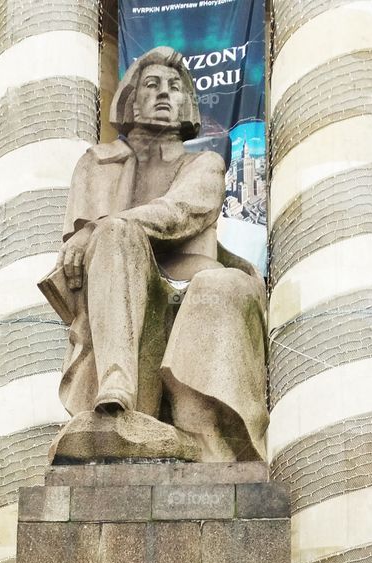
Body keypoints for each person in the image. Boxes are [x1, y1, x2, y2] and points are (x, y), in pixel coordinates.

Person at [40, 46, 268, 464]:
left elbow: (181, 212)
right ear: (131, 98)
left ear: (187, 106)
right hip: (123, 282)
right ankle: (116, 392)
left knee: (123, 235)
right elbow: (76, 246)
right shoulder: (96, 163)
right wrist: (90, 234)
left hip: (190, 280)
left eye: (175, 87)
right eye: (152, 85)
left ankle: (191, 431)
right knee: (113, 233)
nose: (165, 95)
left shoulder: (204, 164)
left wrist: (96, 231)